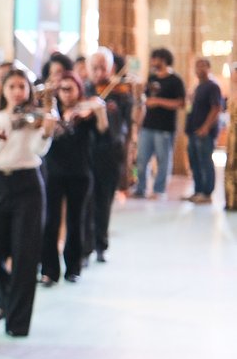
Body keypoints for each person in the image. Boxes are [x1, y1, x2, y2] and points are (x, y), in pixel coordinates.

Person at [0, 69, 56, 336]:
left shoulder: (36, 118)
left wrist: (46, 131)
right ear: (3, 89)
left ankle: (18, 323)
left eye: (21, 86)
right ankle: (6, 301)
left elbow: (39, 150)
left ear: (29, 90)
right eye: (11, 86)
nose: (16, 91)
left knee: (26, 256)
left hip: (28, 185)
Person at [41, 71, 107, 285]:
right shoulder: (52, 111)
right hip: (53, 172)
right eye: (62, 89)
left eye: (71, 89)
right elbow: (44, 137)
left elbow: (103, 133)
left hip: (80, 172)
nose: (66, 94)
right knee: (50, 221)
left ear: (79, 89)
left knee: (75, 220)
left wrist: (101, 112)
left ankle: (73, 267)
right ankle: (49, 270)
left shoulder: (85, 114)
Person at [85, 49, 133, 262]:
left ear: (111, 68)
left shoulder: (121, 94)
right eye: (94, 68)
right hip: (86, 153)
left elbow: (125, 125)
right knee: (86, 202)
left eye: (102, 67)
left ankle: (101, 244)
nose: (98, 72)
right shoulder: (83, 90)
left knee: (104, 200)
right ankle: (84, 248)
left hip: (109, 153)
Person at [134, 47, 185, 199]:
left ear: (163, 60)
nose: (152, 62)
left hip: (165, 128)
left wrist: (158, 102)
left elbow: (181, 103)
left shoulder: (175, 80)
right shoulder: (151, 78)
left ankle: (159, 190)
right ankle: (141, 188)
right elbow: (146, 100)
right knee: (142, 159)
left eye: (155, 59)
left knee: (163, 160)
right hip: (148, 125)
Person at [185, 57, 223, 204]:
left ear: (208, 68)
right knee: (194, 161)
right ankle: (198, 190)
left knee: (205, 161)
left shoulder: (213, 86)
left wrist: (206, 127)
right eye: (197, 66)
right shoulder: (198, 87)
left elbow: (216, 108)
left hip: (204, 131)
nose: (199, 69)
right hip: (193, 131)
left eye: (202, 66)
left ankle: (207, 193)